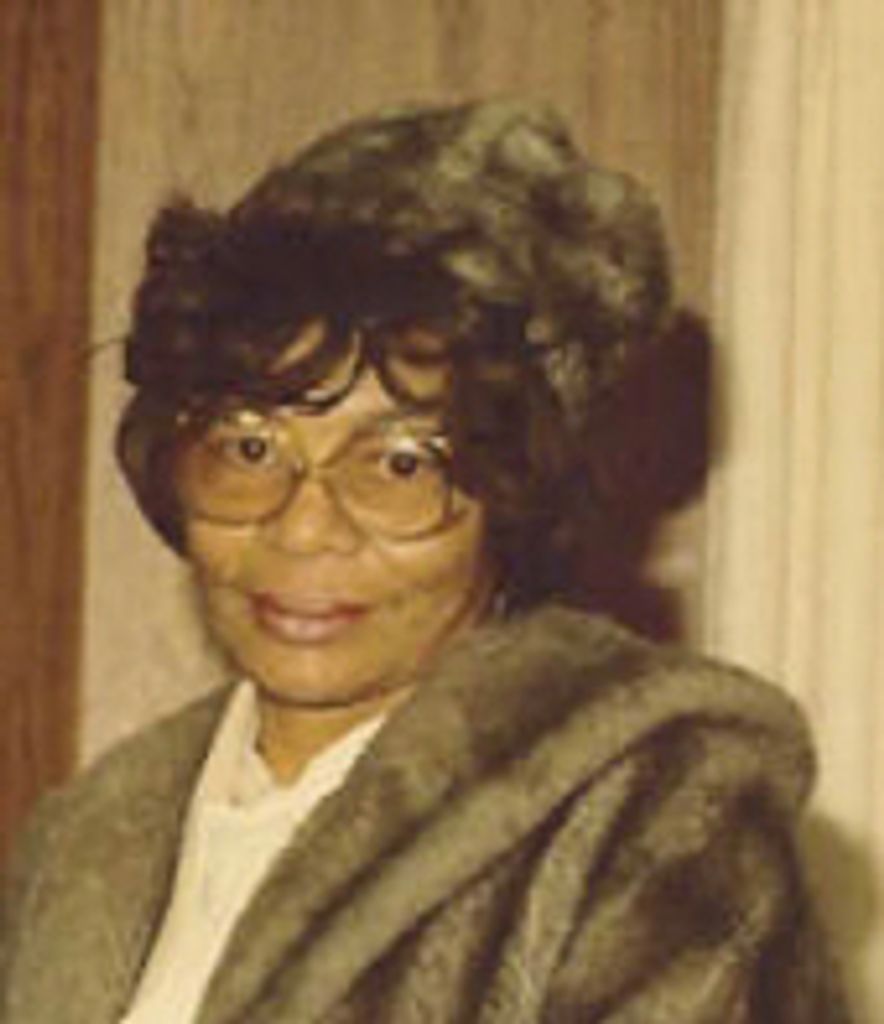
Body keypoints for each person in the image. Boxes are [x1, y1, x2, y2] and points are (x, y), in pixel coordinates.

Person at [0, 100, 849, 1023]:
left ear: (509, 496)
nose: (304, 528)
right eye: (249, 448)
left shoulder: (650, 823)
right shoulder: (84, 848)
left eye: (399, 464)